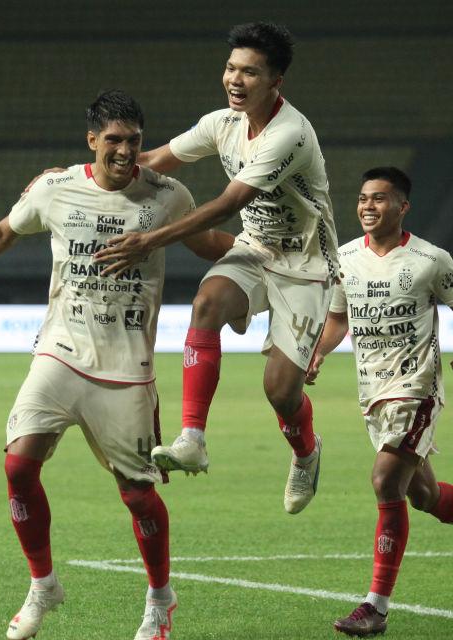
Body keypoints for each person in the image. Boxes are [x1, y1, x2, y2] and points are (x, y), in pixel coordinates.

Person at [0, 90, 232, 640]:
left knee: (137, 494)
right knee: (18, 466)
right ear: (92, 140)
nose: (125, 151)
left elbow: (206, 243)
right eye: (114, 140)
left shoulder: (168, 195)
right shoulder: (54, 188)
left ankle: (159, 599)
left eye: (134, 140)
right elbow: (4, 232)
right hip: (60, 351)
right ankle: (42, 584)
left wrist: (274, 260)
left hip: (127, 367)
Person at [92, 21, 338, 514]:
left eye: (250, 72)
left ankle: (306, 452)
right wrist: (89, 178)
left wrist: (150, 240)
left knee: (280, 391)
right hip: (256, 248)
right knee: (206, 303)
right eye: (230, 68)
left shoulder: (289, 135)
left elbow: (229, 202)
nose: (235, 80)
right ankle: (193, 438)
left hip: (308, 263)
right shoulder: (221, 122)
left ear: (275, 82)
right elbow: (157, 158)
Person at [305, 167, 453, 637]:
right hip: (373, 393)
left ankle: (375, 608)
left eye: (380, 199)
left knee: (386, 482)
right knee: (423, 496)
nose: (367, 206)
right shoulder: (344, 258)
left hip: (417, 387)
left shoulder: (429, 258)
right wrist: (319, 354)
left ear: (402, 207)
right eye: (363, 198)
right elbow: (338, 318)